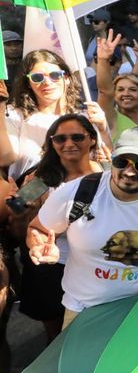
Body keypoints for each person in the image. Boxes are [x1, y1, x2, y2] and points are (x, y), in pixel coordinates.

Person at [27, 128, 138, 328]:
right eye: (121, 162)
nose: (130, 172)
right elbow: (38, 229)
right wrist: (39, 246)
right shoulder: (77, 192)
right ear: (112, 158)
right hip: (84, 309)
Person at [11, 115, 104, 342]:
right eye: (60, 138)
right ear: (52, 143)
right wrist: (26, 211)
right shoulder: (42, 179)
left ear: (91, 139)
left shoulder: (108, 173)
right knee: (56, 337)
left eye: (77, 137)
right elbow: (16, 216)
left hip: (97, 267)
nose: (68, 143)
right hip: (52, 266)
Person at [0, 50, 92, 181]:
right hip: (32, 196)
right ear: (28, 83)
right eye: (37, 77)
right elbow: (5, 157)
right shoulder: (14, 116)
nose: (47, 82)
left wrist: (102, 128)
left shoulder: (87, 117)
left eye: (55, 75)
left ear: (66, 77)